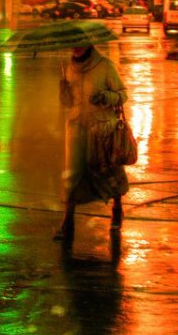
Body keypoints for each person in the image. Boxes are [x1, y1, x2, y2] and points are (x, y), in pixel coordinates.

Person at [54, 43, 130, 244]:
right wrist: (64, 92)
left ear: (89, 45)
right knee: (72, 173)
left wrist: (106, 96)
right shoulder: (69, 67)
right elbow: (69, 104)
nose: (75, 48)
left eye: (80, 44)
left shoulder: (105, 66)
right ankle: (67, 221)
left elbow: (123, 94)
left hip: (102, 129)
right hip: (76, 129)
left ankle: (117, 208)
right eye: (73, 45)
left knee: (109, 171)